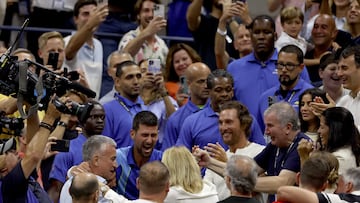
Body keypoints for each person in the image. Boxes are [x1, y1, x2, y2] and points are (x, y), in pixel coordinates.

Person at [193, 102, 310, 203]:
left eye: (270, 126)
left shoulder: (302, 145)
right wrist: (209, 162)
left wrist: (240, 183)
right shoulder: (275, 145)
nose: (266, 131)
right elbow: (243, 173)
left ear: (288, 127)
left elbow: (282, 183)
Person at [227, 15, 310, 117]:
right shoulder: (234, 68)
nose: (261, 37)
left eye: (266, 32)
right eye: (256, 33)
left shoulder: (293, 65)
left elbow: (308, 98)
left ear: (275, 36)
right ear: (251, 36)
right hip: (246, 130)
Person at [176, 69, 265, 151]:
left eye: (228, 90)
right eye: (218, 90)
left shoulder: (247, 119)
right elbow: (182, 157)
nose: (224, 94)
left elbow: (261, 153)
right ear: (209, 92)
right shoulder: (192, 122)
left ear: (233, 92)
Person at [0, 98, 62, 202]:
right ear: (4, 169)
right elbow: (33, 156)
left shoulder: (26, 179)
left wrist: (31, 107)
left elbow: (32, 141)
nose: (16, 152)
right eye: (9, 152)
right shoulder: (9, 184)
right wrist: (49, 118)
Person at [204, 101, 265, 201]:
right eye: (220, 123)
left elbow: (254, 189)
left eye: (229, 122)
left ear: (244, 124)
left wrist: (225, 163)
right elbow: (206, 192)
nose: (223, 127)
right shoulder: (216, 158)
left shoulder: (260, 152)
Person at [48, 100, 105, 202]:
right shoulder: (68, 150)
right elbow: (56, 189)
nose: (100, 121)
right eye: (94, 117)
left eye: (102, 117)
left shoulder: (108, 149)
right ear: (83, 120)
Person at [257, 45, 313, 132]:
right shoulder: (266, 97)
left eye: (289, 65)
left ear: (301, 68)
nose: (283, 70)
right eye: (280, 64)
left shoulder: (311, 95)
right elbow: (261, 132)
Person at [64, 0, 108, 99]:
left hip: (92, 106)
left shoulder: (99, 44)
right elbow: (69, 51)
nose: (90, 18)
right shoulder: (67, 41)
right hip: (73, 104)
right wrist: (91, 23)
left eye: (94, 14)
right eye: (85, 14)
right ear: (75, 19)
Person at [162, 62, 211, 151]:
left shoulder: (221, 113)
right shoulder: (175, 119)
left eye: (208, 81)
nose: (206, 86)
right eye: (201, 81)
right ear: (188, 84)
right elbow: (168, 156)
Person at [115, 111, 163, 200]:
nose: (149, 141)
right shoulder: (117, 158)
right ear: (132, 134)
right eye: (145, 135)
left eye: (153, 135)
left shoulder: (164, 160)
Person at [59, 135, 118, 203]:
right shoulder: (100, 192)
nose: (115, 165)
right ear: (96, 160)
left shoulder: (69, 183)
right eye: (112, 159)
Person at [102, 60, 147, 148]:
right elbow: (104, 147)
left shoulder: (146, 107)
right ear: (117, 82)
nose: (136, 81)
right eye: (129, 77)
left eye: (138, 76)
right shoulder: (107, 110)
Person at [186, 0, 238, 70]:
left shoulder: (233, 24)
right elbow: (191, 18)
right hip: (209, 74)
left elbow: (241, 40)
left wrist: (229, 17)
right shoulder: (204, 22)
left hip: (230, 75)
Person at [139, 59, 178, 150]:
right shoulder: (132, 99)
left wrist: (163, 91)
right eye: (143, 71)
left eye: (152, 71)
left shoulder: (167, 100)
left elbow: (175, 121)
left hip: (159, 150)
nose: (148, 75)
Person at [118, 0, 168, 66]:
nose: (150, 15)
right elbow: (123, 58)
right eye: (146, 10)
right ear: (138, 15)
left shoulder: (161, 44)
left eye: (154, 11)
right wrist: (147, 32)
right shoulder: (129, 37)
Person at [276, 167, 360, 203]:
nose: (335, 191)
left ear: (349, 186)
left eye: (337, 185)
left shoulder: (347, 199)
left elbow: (283, 192)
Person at [318, 107, 360, 174]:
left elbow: (308, 183)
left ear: (334, 130)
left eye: (322, 127)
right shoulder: (350, 149)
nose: (319, 131)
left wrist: (304, 157)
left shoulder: (339, 158)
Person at [214, 1, 252, 69]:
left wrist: (247, 19)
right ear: (235, 45)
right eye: (241, 37)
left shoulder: (264, 61)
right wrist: (222, 21)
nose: (245, 39)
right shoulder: (232, 65)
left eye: (248, 36)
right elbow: (219, 54)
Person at [305, 14, 338, 87]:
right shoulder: (306, 54)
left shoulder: (338, 58)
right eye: (316, 27)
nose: (318, 31)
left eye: (324, 27)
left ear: (334, 33)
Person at [336, 45, 360, 128]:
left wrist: (337, 116)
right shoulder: (344, 101)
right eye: (338, 68)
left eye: (344, 68)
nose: (339, 74)